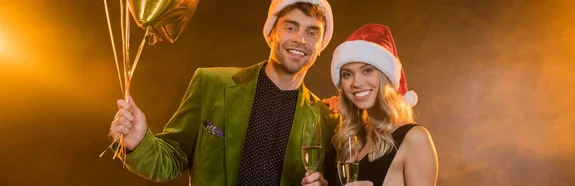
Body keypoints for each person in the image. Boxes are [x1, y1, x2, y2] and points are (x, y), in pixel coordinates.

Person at [109, 1, 339, 185]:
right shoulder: (211, 83)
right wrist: (139, 142)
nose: (300, 39)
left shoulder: (326, 119)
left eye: (312, 33)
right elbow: (172, 159)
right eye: (291, 27)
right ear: (271, 33)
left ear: (321, 46)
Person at [322, 24, 438, 186]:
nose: (356, 83)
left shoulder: (414, 138)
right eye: (347, 74)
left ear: (386, 77)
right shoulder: (345, 138)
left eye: (367, 70)